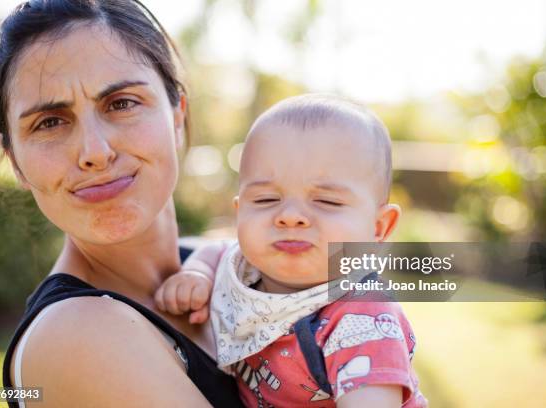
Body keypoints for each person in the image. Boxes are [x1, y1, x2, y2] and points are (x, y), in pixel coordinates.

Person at [0, 0, 243, 406]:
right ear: (15, 159)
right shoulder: (76, 332)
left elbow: (372, 277)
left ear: (177, 116)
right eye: (50, 122)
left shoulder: (204, 258)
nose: (95, 151)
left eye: (121, 103)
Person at [156, 94, 428, 407]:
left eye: (327, 201)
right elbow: (220, 251)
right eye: (265, 200)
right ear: (239, 211)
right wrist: (197, 273)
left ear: (378, 227)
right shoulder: (244, 268)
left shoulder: (362, 316)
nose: (290, 215)